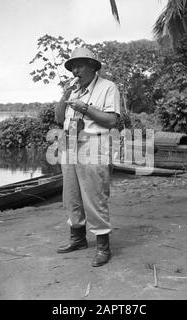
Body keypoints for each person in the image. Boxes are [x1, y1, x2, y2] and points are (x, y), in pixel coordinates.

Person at [55, 47, 120, 267]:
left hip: (93, 144)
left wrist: (85, 108)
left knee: (94, 196)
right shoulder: (73, 90)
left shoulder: (108, 87)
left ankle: (103, 246)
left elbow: (111, 121)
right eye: (72, 66)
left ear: (93, 66)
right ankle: (78, 239)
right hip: (70, 144)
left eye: (79, 65)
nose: (75, 70)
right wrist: (65, 96)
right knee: (71, 196)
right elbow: (58, 118)